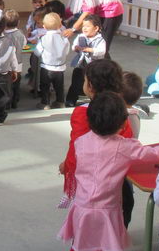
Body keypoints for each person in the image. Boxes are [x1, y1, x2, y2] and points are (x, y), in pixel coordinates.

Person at [58, 92, 159, 251]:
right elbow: (150, 154)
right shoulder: (124, 146)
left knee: (78, 243)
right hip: (108, 207)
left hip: (82, 204)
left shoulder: (82, 142)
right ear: (123, 123)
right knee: (105, 248)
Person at [56, 60, 135, 227]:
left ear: (90, 86)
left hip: (90, 177)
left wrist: (68, 165)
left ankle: (82, 246)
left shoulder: (82, 112)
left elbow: (77, 146)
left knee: (86, 214)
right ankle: (109, 243)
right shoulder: (121, 109)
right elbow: (128, 141)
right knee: (117, 211)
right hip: (115, 175)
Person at [65, 15, 106, 107]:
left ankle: (96, 100)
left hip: (94, 67)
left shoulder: (100, 39)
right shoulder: (80, 36)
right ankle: (71, 99)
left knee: (94, 83)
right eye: (83, 26)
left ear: (96, 28)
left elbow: (102, 51)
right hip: (81, 64)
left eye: (87, 26)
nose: (84, 28)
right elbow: (74, 45)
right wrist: (76, 48)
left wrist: (90, 50)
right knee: (75, 82)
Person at [35, 12, 70, 109]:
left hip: (46, 67)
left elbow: (37, 52)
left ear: (44, 26)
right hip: (60, 67)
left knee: (45, 86)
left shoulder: (43, 38)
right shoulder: (64, 38)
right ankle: (60, 101)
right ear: (60, 25)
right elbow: (66, 51)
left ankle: (45, 103)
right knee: (59, 86)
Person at [3, 10, 25, 109]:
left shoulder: (3, 35)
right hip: (18, 64)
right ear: (18, 22)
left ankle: (7, 103)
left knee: (7, 86)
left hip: (7, 65)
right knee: (16, 84)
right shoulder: (20, 34)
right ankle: (15, 101)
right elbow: (24, 44)